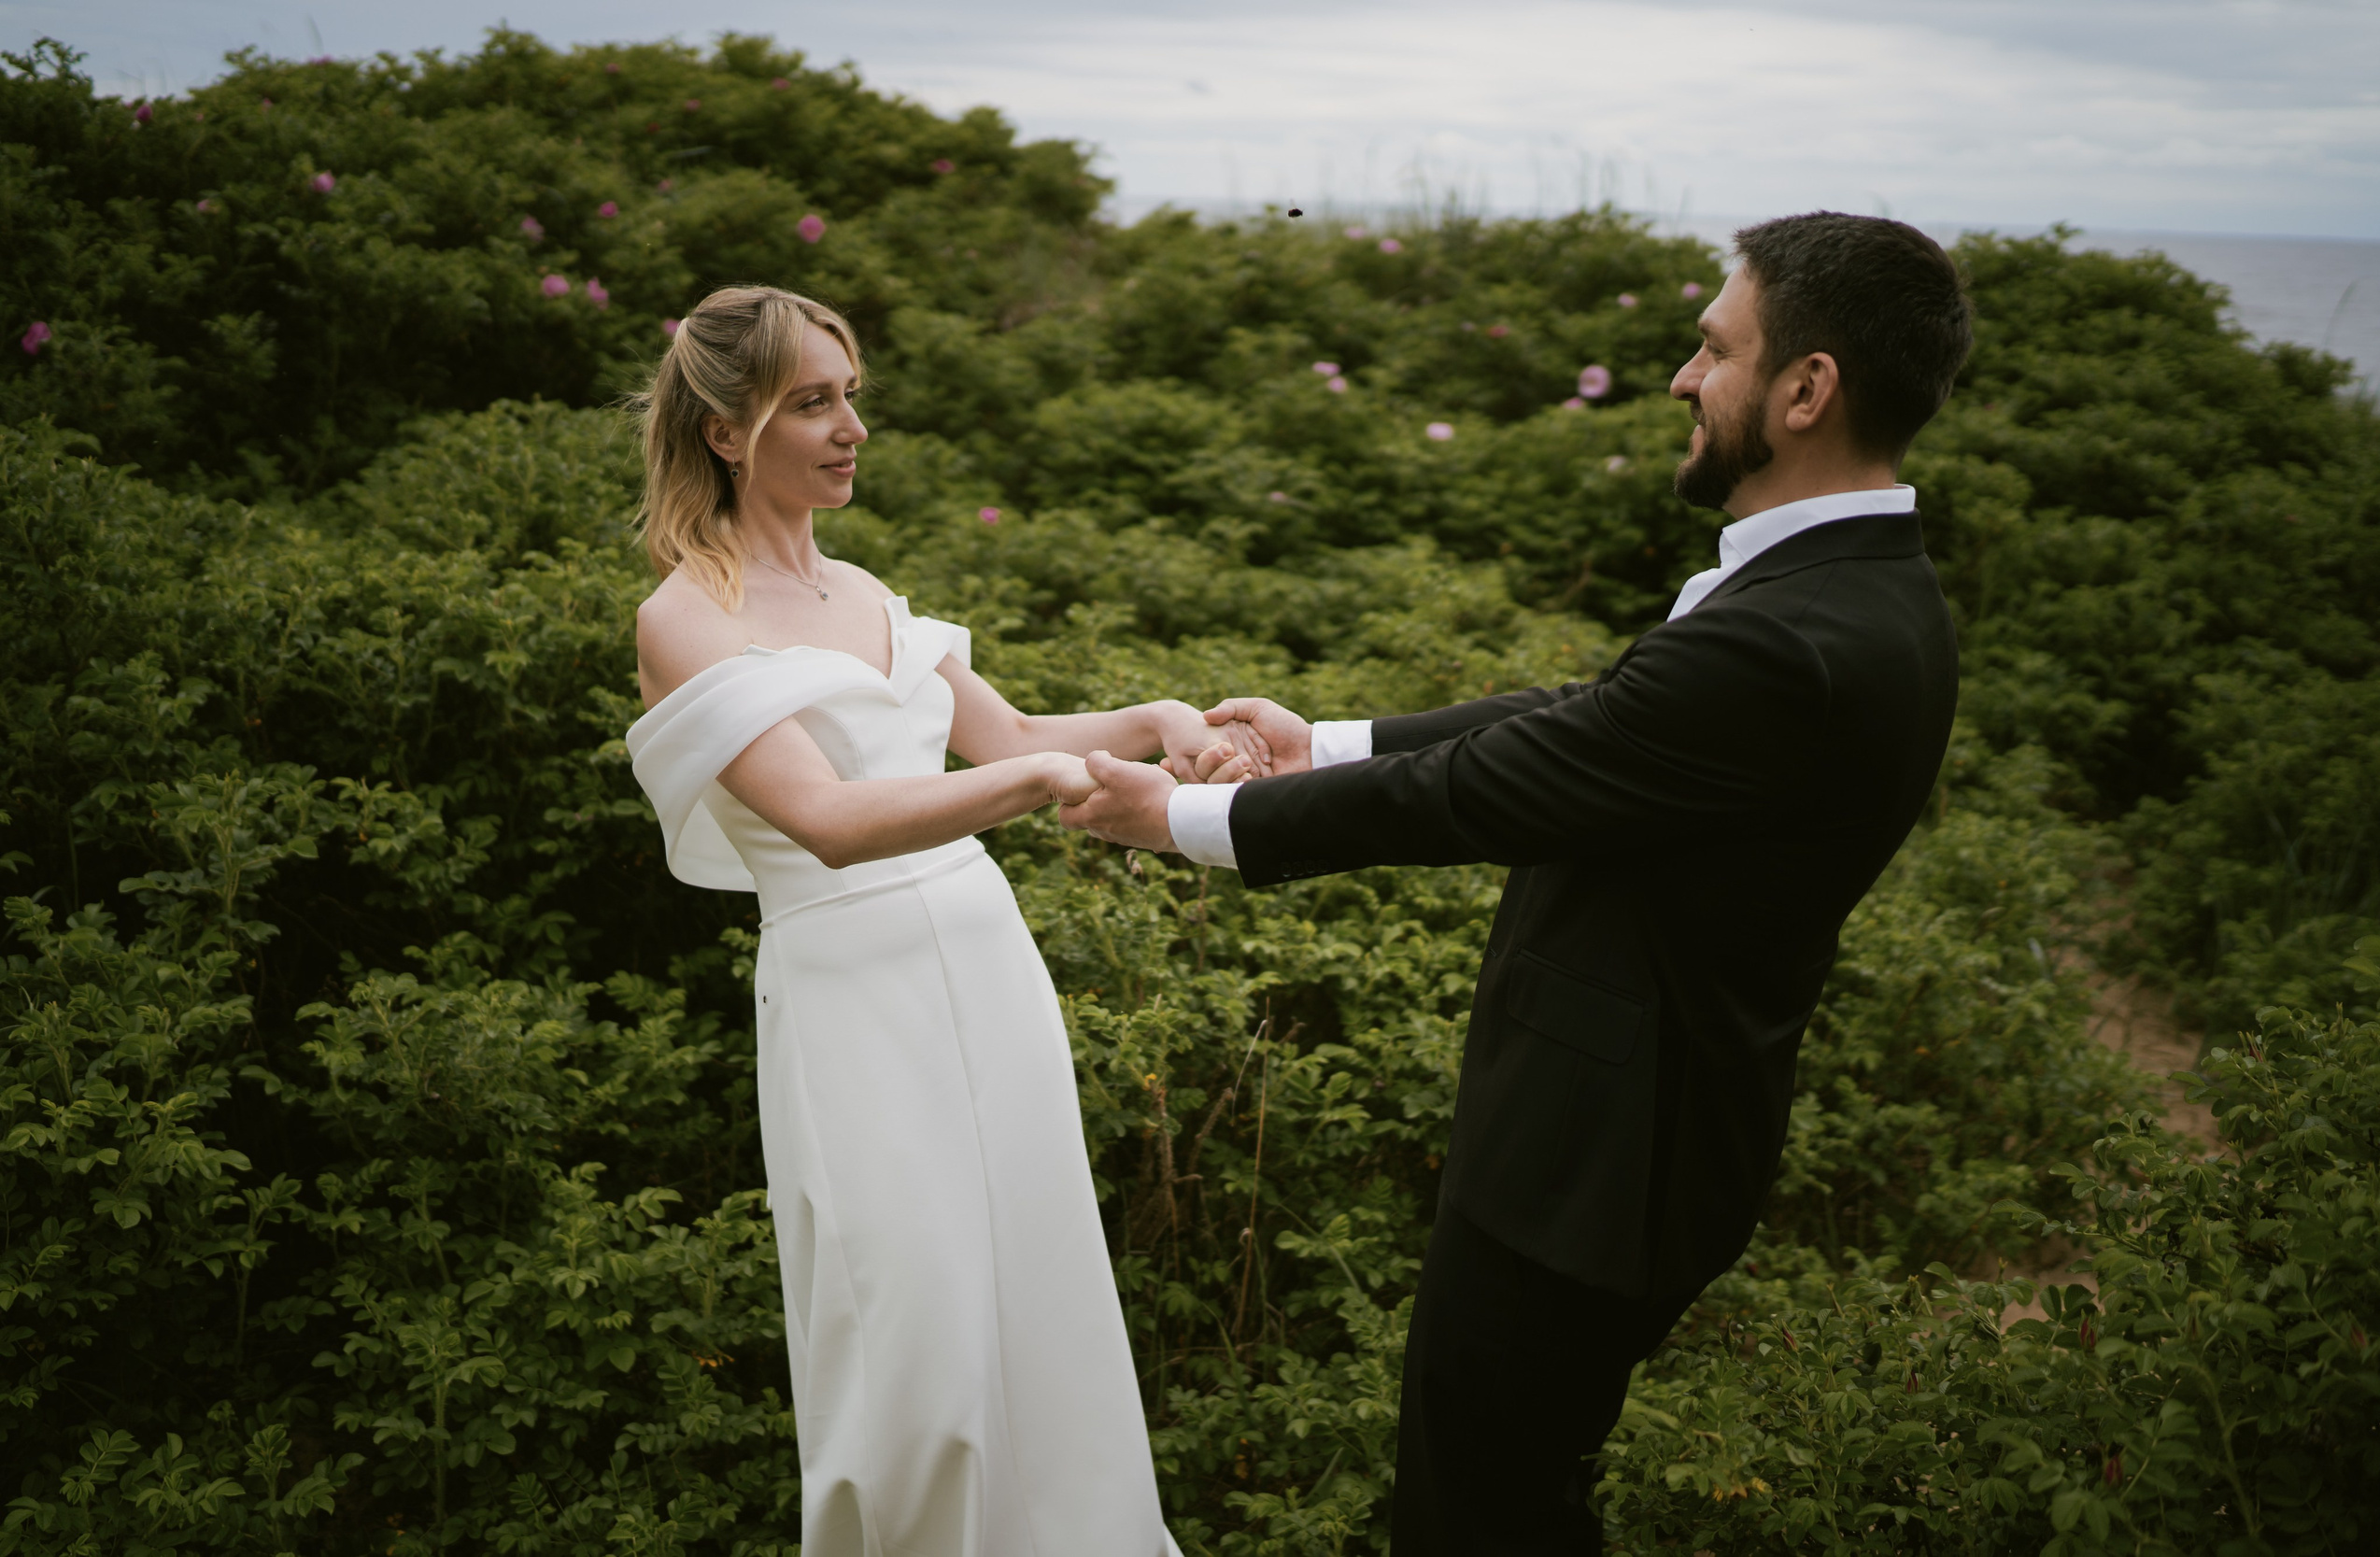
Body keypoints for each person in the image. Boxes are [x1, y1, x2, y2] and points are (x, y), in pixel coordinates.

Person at [1061, 212, 1974, 1553]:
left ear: (1805, 388)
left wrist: (1195, 818)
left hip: (1600, 1167)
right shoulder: (1849, 590)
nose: (1680, 377)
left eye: (1713, 348)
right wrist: (1332, 743)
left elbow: (1498, 786)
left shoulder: (1793, 640)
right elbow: (1597, 720)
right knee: (1509, 1494)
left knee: (1478, 1511)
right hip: (1624, 1139)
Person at [624, 286, 1229, 1555]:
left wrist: (1156, 719)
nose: (850, 428)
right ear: (728, 432)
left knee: (1036, 1288)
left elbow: (1009, 736)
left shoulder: (869, 591)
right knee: (911, 1331)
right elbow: (828, 820)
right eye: (812, 403)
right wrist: (1030, 790)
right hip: (853, 986)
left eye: (851, 396)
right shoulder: (686, 619)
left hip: (978, 956)